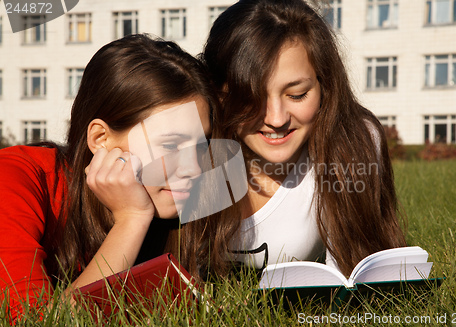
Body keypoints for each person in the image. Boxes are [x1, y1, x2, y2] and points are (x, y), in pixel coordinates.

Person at [0, 34, 216, 320]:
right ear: (100, 138)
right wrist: (132, 218)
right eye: (170, 145)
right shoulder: (13, 178)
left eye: (201, 146)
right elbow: (33, 321)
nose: (193, 168)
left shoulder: (175, 213)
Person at [193, 0, 406, 278]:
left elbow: (355, 275)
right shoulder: (190, 142)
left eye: (296, 94)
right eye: (251, 97)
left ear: (324, 85)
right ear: (219, 94)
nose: (277, 118)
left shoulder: (354, 139)